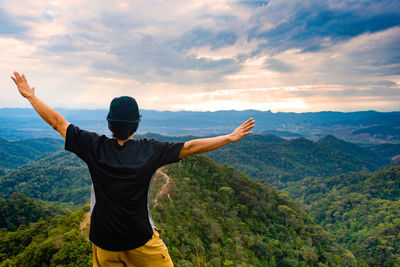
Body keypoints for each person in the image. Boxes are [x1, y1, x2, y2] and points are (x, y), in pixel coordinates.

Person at [11, 71, 255, 267]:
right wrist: (229, 137)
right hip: (142, 242)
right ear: (137, 123)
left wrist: (30, 96)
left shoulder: (94, 147)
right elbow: (191, 147)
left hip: (105, 245)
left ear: (109, 123)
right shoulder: (150, 150)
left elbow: (57, 122)